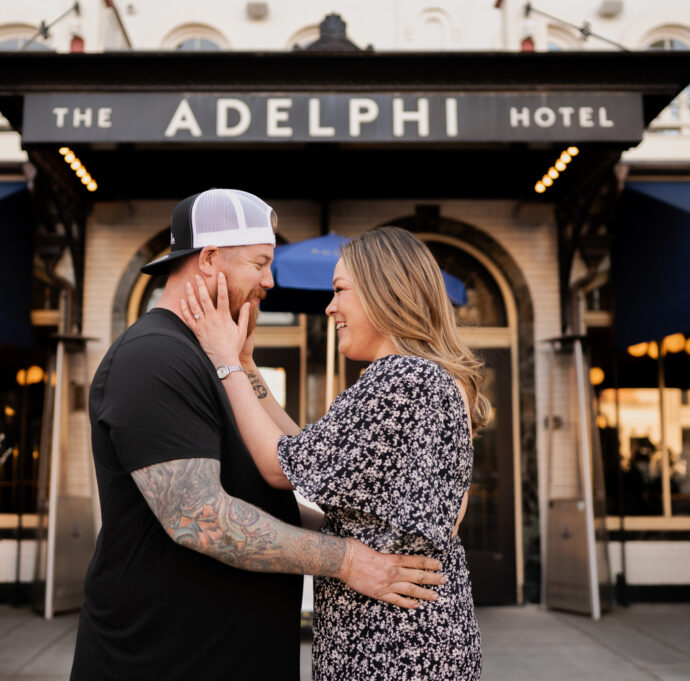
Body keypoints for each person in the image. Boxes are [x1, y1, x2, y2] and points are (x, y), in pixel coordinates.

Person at [69, 190, 445, 681]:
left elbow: (271, 478)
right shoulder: (153, 358)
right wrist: (351, 561)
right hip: (166, 660)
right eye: (260, 262)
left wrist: (240, 364)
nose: (270, 280)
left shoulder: (208, 356)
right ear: (208, 260)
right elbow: (201, 518)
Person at [181, 226, 491, 680]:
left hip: (392, 647)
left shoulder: (401, 381)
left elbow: (276, 466)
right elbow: (304, 454)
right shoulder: (428, 378)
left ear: (383, 294)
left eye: (340, 291)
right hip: (413, 637)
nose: (330, 308)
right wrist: (247, 366)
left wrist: (223, 359)